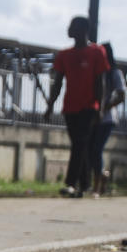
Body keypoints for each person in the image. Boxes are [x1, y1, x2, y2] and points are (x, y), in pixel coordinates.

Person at [43, 16, 109, 197]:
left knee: (79, 144)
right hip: (70, 108)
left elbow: (100, 82)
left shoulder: (97, 52)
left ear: (84, 29)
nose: (68, 29)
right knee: (80, 145)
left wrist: (100, 107)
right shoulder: (65, 55)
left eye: (72, 26)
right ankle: (85, 184)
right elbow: (57, 83)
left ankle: (71, 183)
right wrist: (50, 106)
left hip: (88, 107)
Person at [89, 42, 125, 197]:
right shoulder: (95, 71)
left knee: (96, 149)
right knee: (90, 151)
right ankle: (102, 175)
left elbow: (121, 96)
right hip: (93, 116)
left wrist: (104, 108)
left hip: (107, 119)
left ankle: (96, 186)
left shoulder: (114, 73)